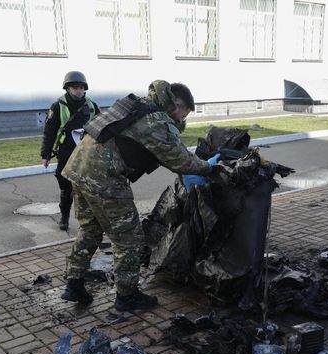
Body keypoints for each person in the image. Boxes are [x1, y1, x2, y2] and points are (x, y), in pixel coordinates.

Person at [60, 80, 228, 311]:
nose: (182, 120)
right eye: (184, 113)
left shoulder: (138, 104)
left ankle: (74, 283)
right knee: (130, 240)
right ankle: (127, 296)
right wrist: (210, 168)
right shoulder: (157, 120)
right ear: (176, 104)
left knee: (90, 229)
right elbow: (179, 159)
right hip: (104, 178)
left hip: (79, 169)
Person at [41, 71, 100, 231]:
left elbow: (102, 128)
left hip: (87, 153)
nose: (79, 91)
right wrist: (45, 155)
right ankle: (64, 217)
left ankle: (89, 222)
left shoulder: (91, 105)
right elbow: (50, 132)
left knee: (88, 188)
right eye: (75, 88)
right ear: (67, 88)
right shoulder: (58, 106)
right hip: (66, 152)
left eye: (81, 87)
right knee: (66, 189)